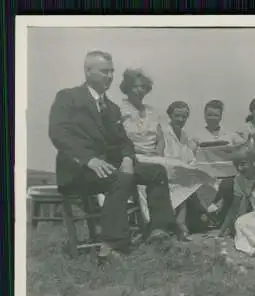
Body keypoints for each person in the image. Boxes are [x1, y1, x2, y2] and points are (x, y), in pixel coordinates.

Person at [48, 51, 176, 257]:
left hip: (107, 167)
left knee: (157, 172)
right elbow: (58, 133)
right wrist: (88, 159)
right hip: (77, 170)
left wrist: (127, 158)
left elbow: (123, 141)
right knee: (120, 178)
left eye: (112, 72)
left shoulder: (112, 108)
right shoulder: (68, 97)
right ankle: (112, 245)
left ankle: (159, 231)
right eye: (104, 71)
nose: (109, 76)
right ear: (88, 71)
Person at [160, 100, 217, 240]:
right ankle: (181, 223)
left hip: (183, 172)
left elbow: (189, 157)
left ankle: (206, 214)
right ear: (170, 116)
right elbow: (163, 157)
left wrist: (191, 167)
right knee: (183, 185)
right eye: (177, 116)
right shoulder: (164, 133)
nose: (180, 120)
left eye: (184, 117)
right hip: (168, 172)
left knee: (208, 181)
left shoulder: (184, 135)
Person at [191, 99, 234, 225]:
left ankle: (223, 219)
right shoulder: (197, 135)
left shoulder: (229, 134)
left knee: (230, 186)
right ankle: (206, 217)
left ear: (221, 116)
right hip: (205, 176)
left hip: (226, 174)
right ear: (204, 115)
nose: (212, 118)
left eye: (215, 115)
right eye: (209, 114)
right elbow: (190, 153)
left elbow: (242, 146)